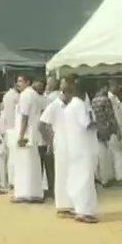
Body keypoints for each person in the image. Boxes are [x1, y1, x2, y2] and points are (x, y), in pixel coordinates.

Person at [62, 79, 99, 223]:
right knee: (85, 179)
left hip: (74, 147)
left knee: (76, 177)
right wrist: (98, 123)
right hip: (84, 148)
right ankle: (84, 211)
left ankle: (79, 208)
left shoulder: (70, 106)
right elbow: (87, 124)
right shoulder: (79, 105)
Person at [39, 86, 72, 215]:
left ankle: (70, 203)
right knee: (61, 175)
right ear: (65, 93)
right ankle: (62, 205)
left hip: (71, 143)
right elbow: (41, 125)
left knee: (69, 174)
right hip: (60, 143)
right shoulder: (54, 106)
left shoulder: (70, 106)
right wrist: (49, 141)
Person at [12, 77, 44, 203]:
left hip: (26, 134)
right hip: (33, 133)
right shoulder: (34, 94)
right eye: (18, 81)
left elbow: (24, 117)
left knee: (23, 164)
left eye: (20, 81)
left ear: (27, 82)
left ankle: (24, 193)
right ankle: (34, 193)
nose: (18, 84)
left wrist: (21, 135)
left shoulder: (25, 95)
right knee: (33, 164)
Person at [89, 87, 119, 186]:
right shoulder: (105, 100)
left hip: (96, 129)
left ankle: (98, 176)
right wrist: (116, 129)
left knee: (98, 153)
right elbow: (110, 116)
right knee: (105, 154)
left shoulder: (93, 100)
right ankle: (106, 178)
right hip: (105, 129)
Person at [0, 76, 26, 188]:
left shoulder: (6, 95)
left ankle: (9, 181)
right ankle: (14, 181)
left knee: (10, 157)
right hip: (14, 128)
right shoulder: (18, 97)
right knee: (15, 157)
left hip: (7, 129)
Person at [33, 78, 54, 197]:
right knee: (41, 167)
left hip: (45, 138)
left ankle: (50, 190)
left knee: (48, 167)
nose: (39, 88)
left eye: (41, 86)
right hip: (38, 139)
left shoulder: (47, 100)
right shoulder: (36, 100)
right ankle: (42, 190)